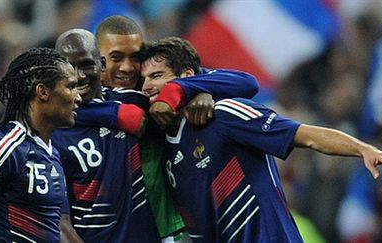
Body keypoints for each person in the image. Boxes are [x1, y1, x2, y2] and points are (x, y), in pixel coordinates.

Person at [140, 36, 382, 243]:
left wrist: (362, 148)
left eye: (156, 76)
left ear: (186, 77)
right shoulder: (160, 144)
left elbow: (306, 136)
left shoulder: (224, 115)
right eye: (143, 80)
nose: (146, 87)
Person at [93, 15, 260, 242]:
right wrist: (112, 113)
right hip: (109, 232)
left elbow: (246, 82)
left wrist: (194, 89)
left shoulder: (151, 95)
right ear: (97, 59)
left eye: (135, 57)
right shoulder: (80, 100)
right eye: (116, 58)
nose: (128, 67)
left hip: (170, 231)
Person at [53, 28, 160, 242]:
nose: (78, 75)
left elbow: (243, 83)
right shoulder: (52, 133)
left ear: (101, 65)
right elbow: (59, 224)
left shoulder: (131, 100)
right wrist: (112, 114)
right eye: (69, 67)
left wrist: (191, 93)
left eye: (86, 65)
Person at [0, 47, 82, 242]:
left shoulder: (52, 154)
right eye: (71, 87)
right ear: (42, 91)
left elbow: (61, 227)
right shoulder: (0, 151)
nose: (78, 97)